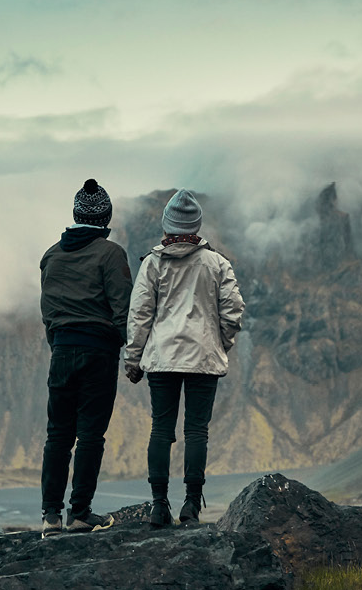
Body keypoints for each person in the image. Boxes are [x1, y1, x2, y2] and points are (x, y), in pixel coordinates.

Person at [124, 188, 244, 526]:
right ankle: (191, 506)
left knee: (161, 429)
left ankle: (158, 505)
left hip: (162, 359)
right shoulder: (217, 264)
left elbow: (140, 315)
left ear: (167, 225)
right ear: (196, 225)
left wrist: (133, 359)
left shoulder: (152, 264)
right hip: (203, 359)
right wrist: (221, 344)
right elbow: (233, 312)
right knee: (196, 431)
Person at [38, 178, 132, 536]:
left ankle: (50, 517)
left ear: (75, 215)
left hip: (61, 351)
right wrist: (132, 354)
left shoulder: (51, 256)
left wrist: (59, 344)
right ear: (105, 218)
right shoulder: (111, 254)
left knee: (57, 435)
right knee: (91, 434)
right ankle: (80, 513)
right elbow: (123, 309)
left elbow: (47, 312)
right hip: (98, 352)